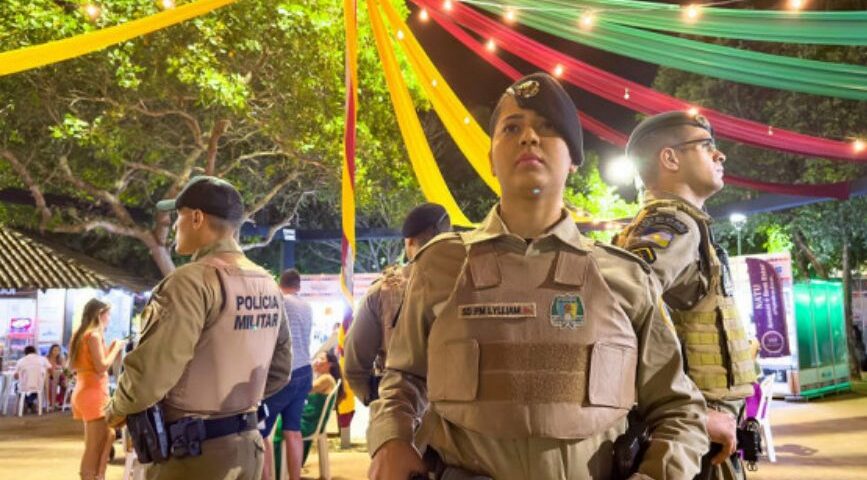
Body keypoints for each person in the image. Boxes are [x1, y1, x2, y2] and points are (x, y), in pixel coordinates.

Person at [367, 73, 708, 480]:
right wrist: (391, 440)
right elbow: (403, 377)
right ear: (491, 157)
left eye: (548, 128)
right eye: (512, 128)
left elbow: (680, 410)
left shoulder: (626, 277)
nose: (529, 137)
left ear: (573, 159)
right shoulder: (439, 266)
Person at [104, 176, 293, 480]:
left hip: (193, 457)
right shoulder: (266, 282)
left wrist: (113, 411)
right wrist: (232, 407)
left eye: (176, 217)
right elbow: (281, 368)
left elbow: (150, 377)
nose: (174, 226)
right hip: (248, 447)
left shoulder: (189, 282)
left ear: (196, 217)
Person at [613, 111, 758, 480]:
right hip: (692, 447)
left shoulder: (688, 226)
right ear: (670, 158)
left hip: (704, 440)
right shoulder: (671, 226)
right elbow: (611, 321)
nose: (719, 155)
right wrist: (698, 417)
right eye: (707, 146)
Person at [344, 203, 451, 405]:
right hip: (461, 418)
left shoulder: (383, 292)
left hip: (404, 414)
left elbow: (354, 367)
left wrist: (380, 403)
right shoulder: (476, 284)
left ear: (409, 242)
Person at [260, 269, 314, 480]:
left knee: (260, 431)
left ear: (279, 285)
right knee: (293, 430)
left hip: (284, 375)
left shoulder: (280, 302)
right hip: (305, 371)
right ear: (298, 286)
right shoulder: (306, 306)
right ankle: (295, 478)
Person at [68, 299, 126, 480]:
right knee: (93, 448)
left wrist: (110, 348)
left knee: (106, 435)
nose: (109, 318)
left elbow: (90, 363)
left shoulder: (80, 334)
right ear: (100, 314)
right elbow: (101, 367)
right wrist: (116, 348)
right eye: (107, 314)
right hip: (94, 393)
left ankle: (98, 475)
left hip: (85, 390)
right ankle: (91, 476)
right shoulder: (93, 335)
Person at [14, 344, 52, 414]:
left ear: (25, 353)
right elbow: (50, 369)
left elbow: (16, 376)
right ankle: (30, 403)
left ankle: (29, 403)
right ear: (35, 351)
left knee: (16, 386)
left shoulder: (20, 361)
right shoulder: (42, 359)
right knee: (37, 388)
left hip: (24, 387)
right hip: (38, 385)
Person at [45, 343, 68, 411]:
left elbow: (65, 369)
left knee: (65, 382)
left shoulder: (61, 358)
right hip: (49, 377)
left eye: (58, 350)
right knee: (51, 384)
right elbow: (47, 369)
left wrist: (62, 365)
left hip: (59, 376)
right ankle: (52, 403)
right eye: (54, 350)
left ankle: (60, 401)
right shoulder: (47, 358)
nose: (56, 352)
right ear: (51, 350)